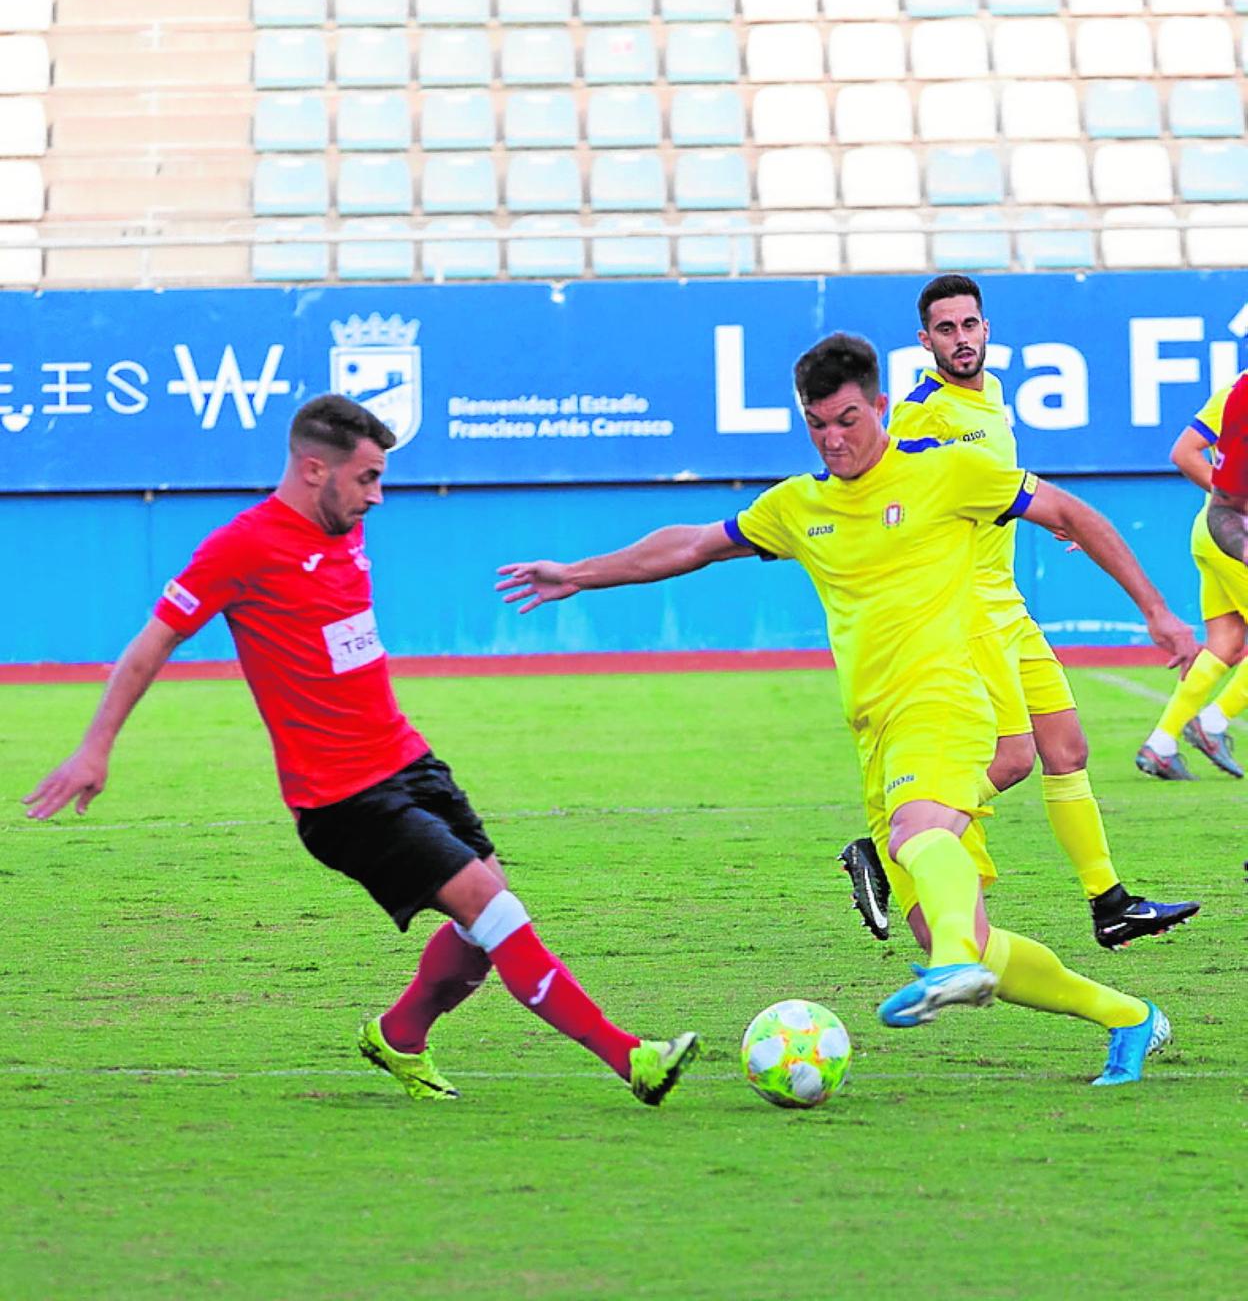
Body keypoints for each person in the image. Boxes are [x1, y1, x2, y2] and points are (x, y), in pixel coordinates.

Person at [498, 333, 1197, 1085]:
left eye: (849, 419)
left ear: (882, 407)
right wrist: (580, 573)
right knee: (940, 926)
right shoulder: (801, 506)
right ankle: (1127, 1015)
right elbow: (694, 545)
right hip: (874, 728)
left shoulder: (949, 470)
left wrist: (1156, 612)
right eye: (818, 424)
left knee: (917, 834)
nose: (834, 439)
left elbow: (1072, 513)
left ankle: (960, 964)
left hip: (949, 698)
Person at [23, 393, 699, 1108]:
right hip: (341, 798)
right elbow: (149, 646)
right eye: (367, 477)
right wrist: (94, 750)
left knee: (487, 922)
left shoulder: (341, 527)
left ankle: (400, 1035)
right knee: (495, 914)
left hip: (408, 761)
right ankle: (633, 1060)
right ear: (315, 469)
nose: (378, 495)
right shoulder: (241, 548)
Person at [835, 275, 1199, 951]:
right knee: (1012, 757)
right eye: (946, 330)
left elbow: (984, 489)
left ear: (985, 327)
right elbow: (902, 499)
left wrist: (1027, 514)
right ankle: (884, 851)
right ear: (925, 342)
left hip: (1008, 604)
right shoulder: (921, 412)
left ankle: (1110, 903)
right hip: (967, 609)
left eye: (969, 324)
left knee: (1068, 749)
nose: (961, 339)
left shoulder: (992, 396)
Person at [1137, 370, 1248, 780]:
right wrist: (1236, 502)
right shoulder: (1238, 395)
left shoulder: (1232, 390)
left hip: (1211, 529)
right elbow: (1184, 453)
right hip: (1231, 532)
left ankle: (1161, 745)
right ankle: (1213, 722)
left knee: (1227, 644)